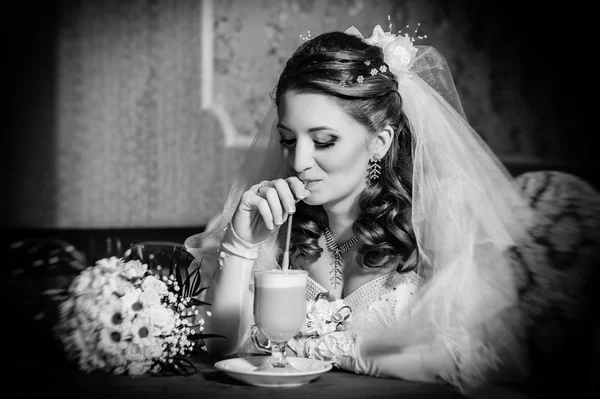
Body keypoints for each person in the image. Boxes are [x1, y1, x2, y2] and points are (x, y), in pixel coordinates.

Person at [185, 22, 535, 397]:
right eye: (288, 139)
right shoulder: (276, 224)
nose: (298, 160)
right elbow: (222, 347)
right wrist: (240, 245)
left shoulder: (433, 219)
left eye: (323, 141)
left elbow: (457, 355)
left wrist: (308, 349)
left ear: (380, 142)